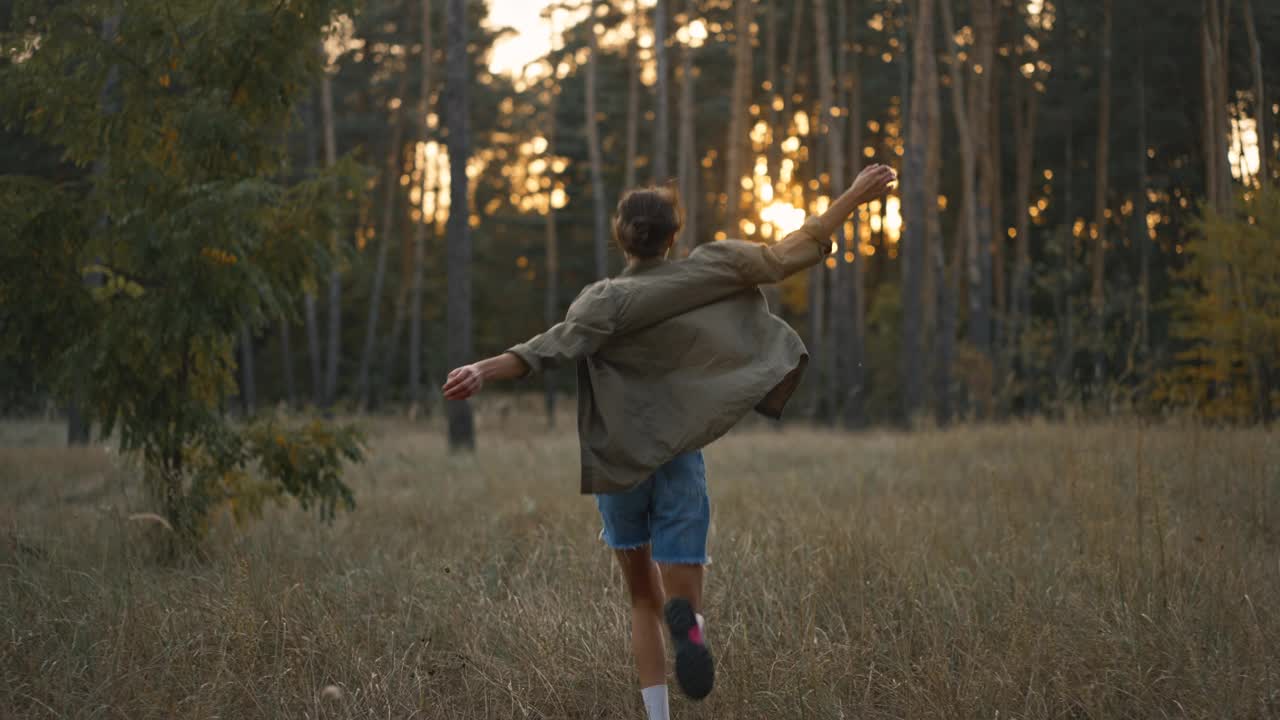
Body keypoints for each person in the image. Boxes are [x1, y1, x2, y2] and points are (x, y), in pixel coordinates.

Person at [442, 163, 897, 719]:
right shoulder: (711, 267)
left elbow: (547, 348)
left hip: (620, 465)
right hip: (678, 459)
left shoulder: (602, 300)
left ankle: (658, 716)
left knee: (641, 598)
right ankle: (692, 632)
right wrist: (853, 194)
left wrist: (482, 371)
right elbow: (788, 253)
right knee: (682, 590)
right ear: (673, 235)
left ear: (620, 234)